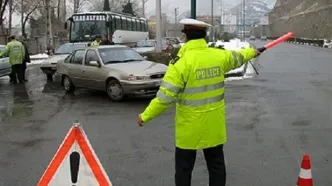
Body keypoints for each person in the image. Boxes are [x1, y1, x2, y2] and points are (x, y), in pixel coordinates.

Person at [137, 18, 264, 186]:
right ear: (204, 35)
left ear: (185, 36)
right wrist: (253, 52)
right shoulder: (218, 56)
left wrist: (145, 116)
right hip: (214, 126)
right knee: (216, 165)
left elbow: (164, 98)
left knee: (184, 169)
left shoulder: (181, 63)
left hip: (189, 129)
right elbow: (239, 57)